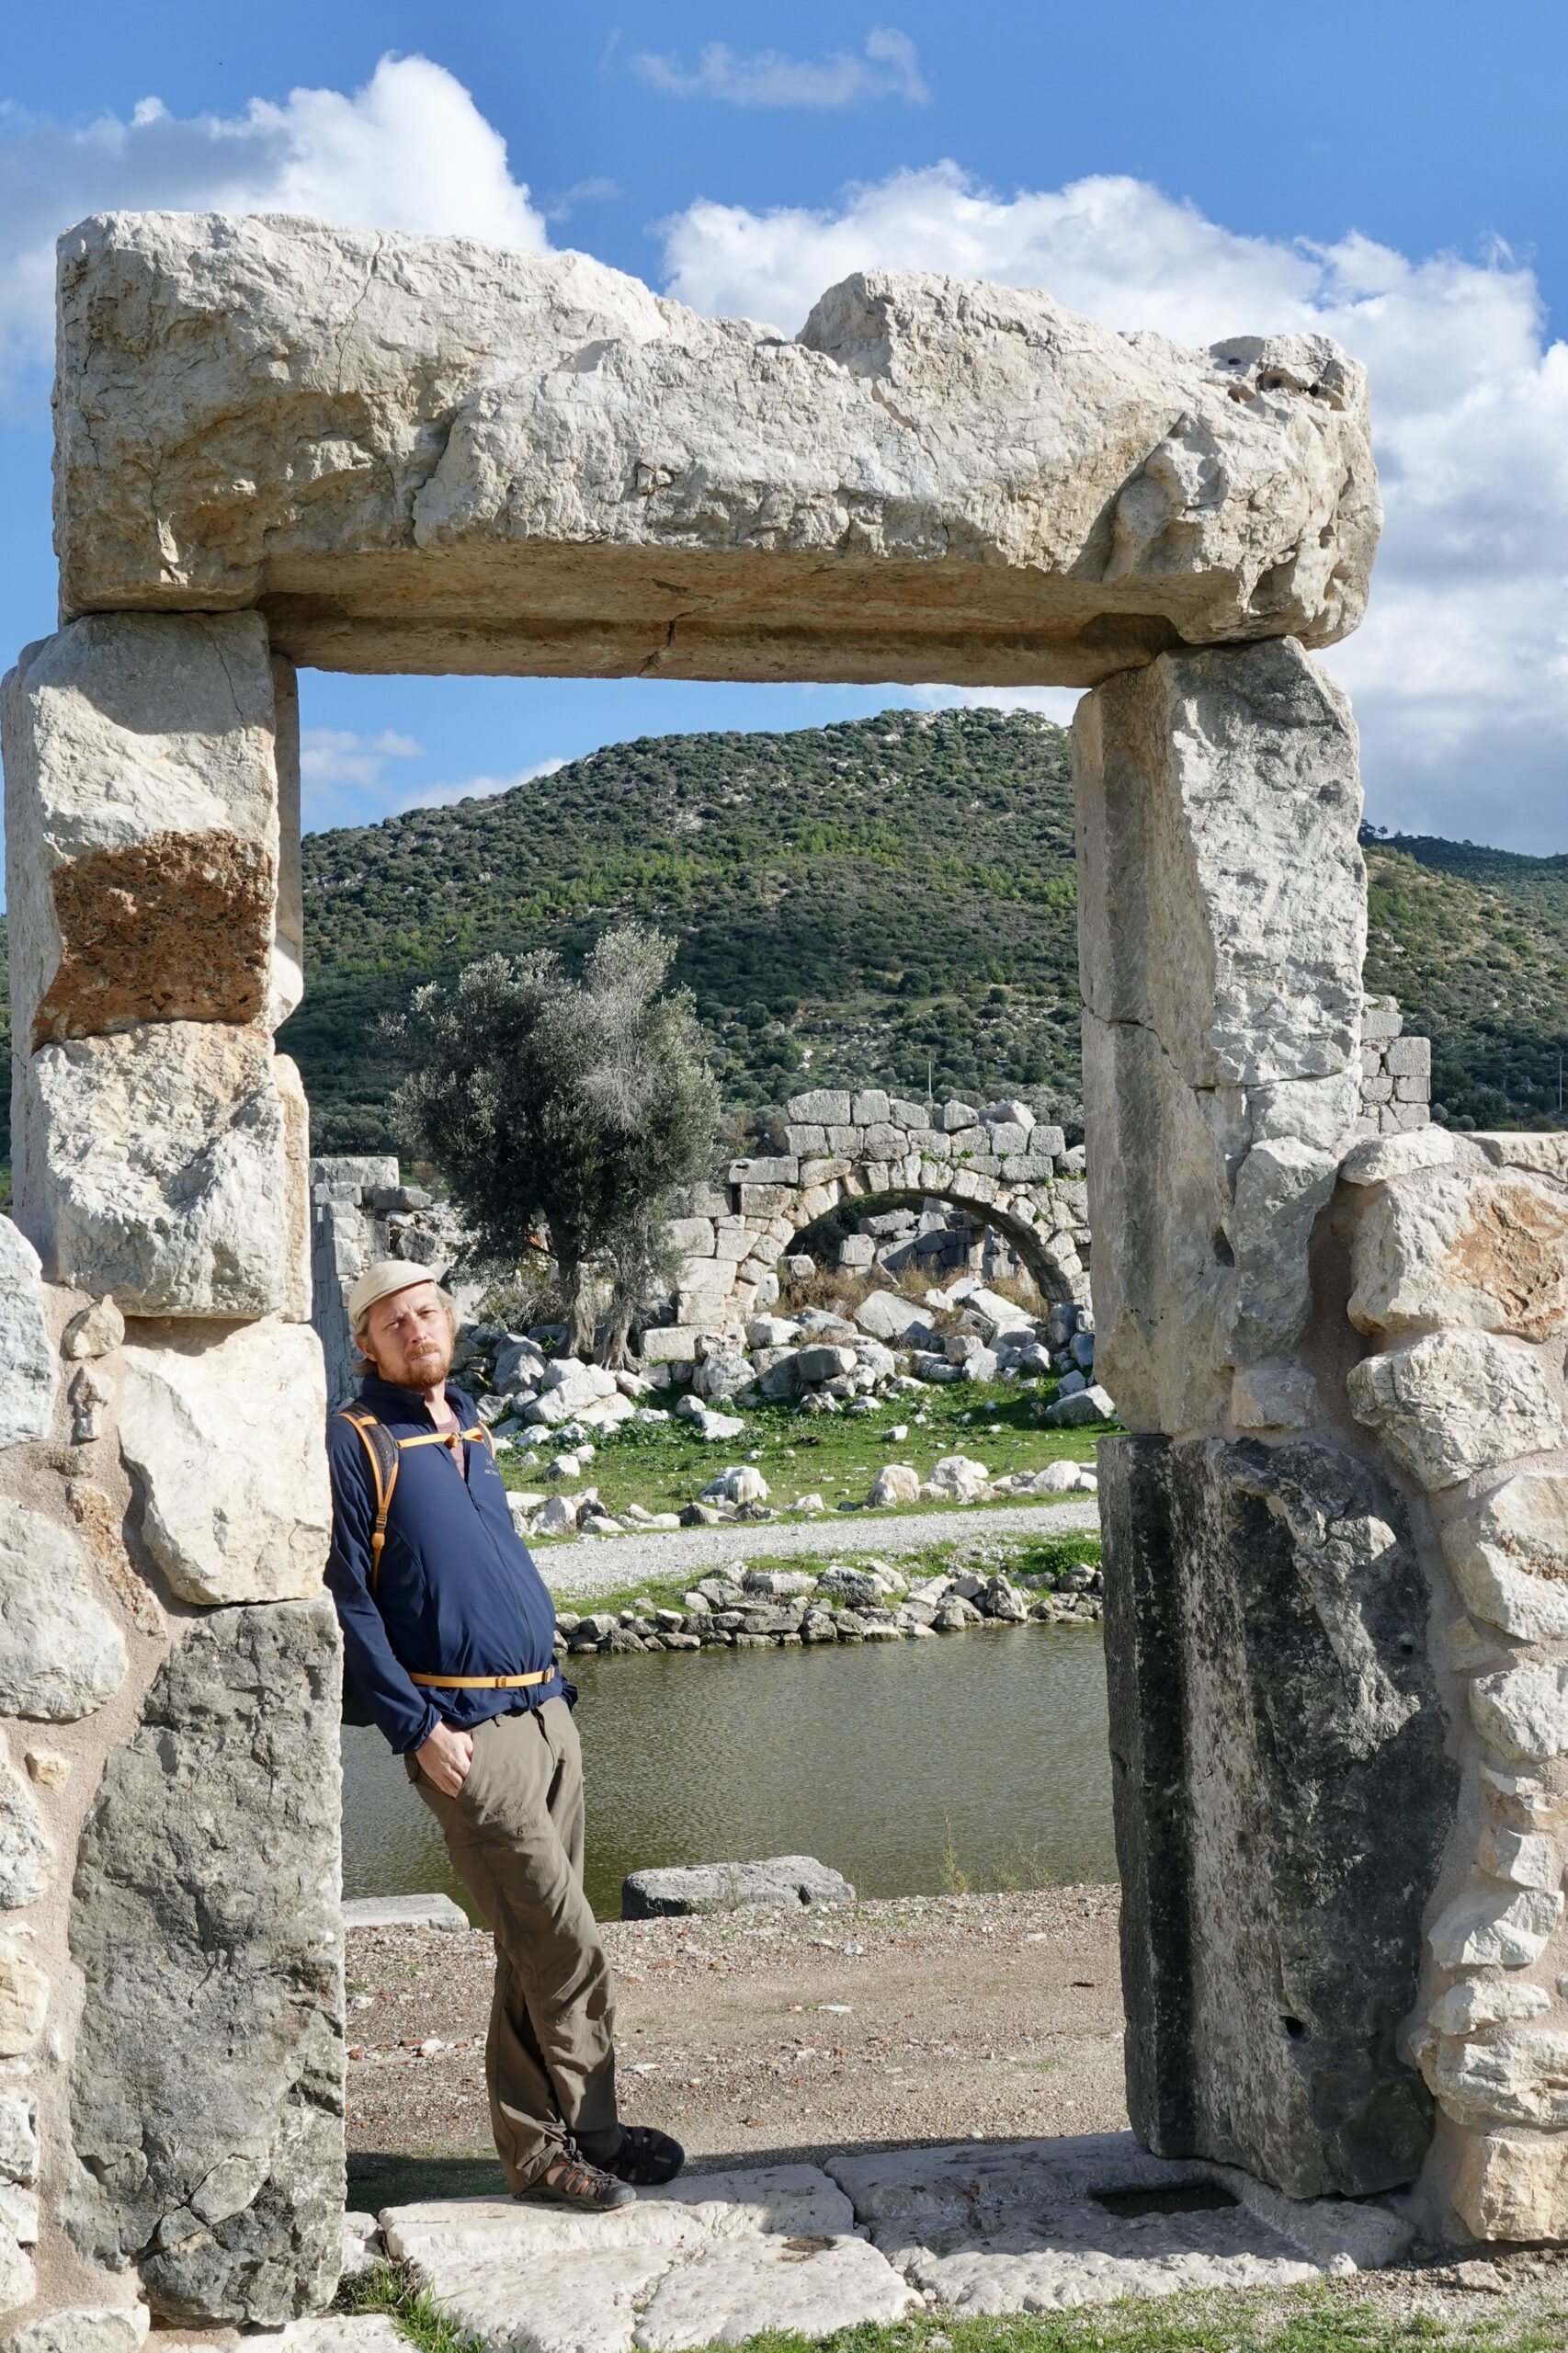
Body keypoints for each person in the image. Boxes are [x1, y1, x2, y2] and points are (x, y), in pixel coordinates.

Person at [325, 1260, 683, 2209]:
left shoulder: (467, 1424)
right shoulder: (357, 1440)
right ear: (365, 1342)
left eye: (427, 1310)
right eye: (392, 1320)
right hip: (465, 1736)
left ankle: (578, 2134)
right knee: (562, 1941)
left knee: (536, 1939)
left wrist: (551, 1696)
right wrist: (415, 1731)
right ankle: (553, 2148)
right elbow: (348, 1602)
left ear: (448, 1319)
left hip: (544, 1711)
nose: (415, 1326)